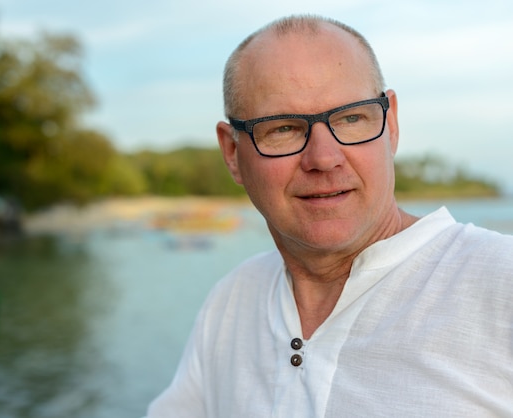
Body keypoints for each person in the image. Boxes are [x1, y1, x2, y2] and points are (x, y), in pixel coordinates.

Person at [145, 14, 513, 417]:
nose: (323, 158)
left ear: (390, 124)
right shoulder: (231, 302)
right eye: (282, 128)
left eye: (351, 118)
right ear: (233, 153)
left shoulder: (500, 281)